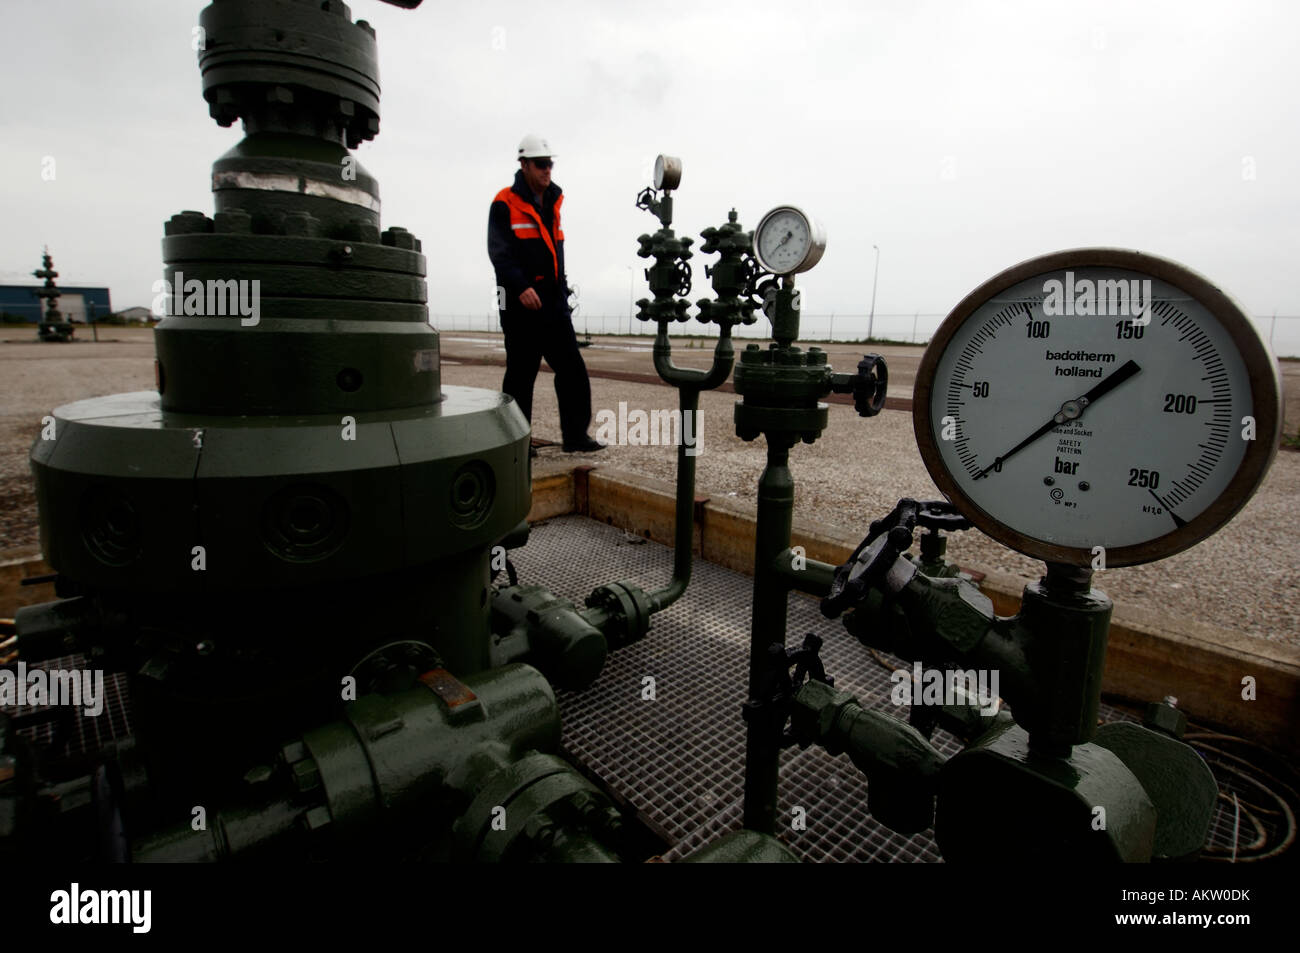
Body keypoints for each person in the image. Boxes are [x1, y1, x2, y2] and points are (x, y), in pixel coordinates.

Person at [488, 134, 603, 454]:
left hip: (552, 302)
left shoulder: (553, 201)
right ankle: (517, 441)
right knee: (521, 376)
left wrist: (561, 291)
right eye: (540, 164)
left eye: (550, 164)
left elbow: (555, 251)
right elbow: (499, 253)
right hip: (520, 304)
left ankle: (576, 436)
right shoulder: (504, 202)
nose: (547, 170)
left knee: (573, 370)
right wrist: (520, 287)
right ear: (523, 165)